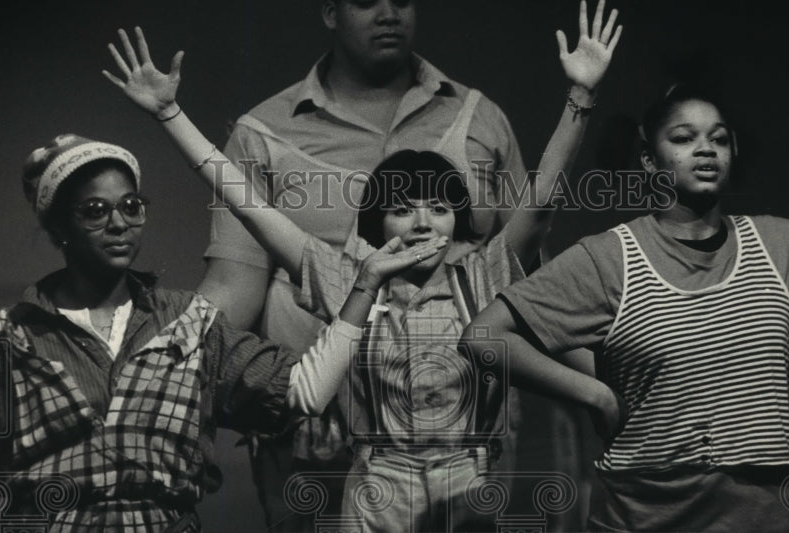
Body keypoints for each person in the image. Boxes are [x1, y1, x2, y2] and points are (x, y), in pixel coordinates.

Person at [102, 2, 622, 528]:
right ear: (376, 224)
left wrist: (581, 96)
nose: (422, 223)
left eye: (439, 209)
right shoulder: (348, 282)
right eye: (402, 209)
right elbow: (249, 206)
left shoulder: (485, 273)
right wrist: (171, 115)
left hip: (469, 475)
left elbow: (540, 209)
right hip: (372, 479)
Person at [462, 47, 789, 532]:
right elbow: (482, 338)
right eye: (684, 138)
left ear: (733, 154)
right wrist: (594, 395)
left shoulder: (782, 247)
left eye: (719, 139)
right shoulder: (610, 258)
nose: (705, 149)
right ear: (648, 159)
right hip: (643, 519)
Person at [0, 133, 421, 532]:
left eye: (131, 206)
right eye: (94, 211)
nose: (119, 223)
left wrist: (365, 287)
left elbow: (303, 392)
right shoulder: (14, 336)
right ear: (60, 225)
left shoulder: (189, 323)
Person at [198, 1, 536, 522]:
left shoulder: (480, 117)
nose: (388, 13)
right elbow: (232, 284)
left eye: (401, 0)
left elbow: (528, 268)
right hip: (312, 419)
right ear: (330, 12)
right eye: (366, 1)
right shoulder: (263, 131)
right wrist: (167, 368)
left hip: (462, 430)